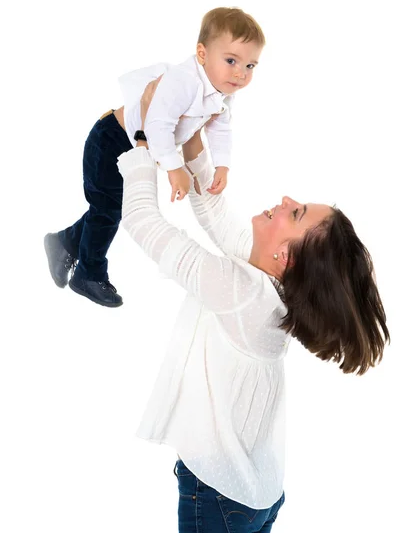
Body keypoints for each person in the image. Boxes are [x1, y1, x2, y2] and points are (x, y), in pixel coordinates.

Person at [115, 79, 390, 532]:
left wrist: (144, 137)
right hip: (257, 492)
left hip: (219, 495)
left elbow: (142, 221)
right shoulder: (272, 290)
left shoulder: (241, 290)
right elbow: (214, 213)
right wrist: (191, 135)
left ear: (286, 255)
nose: (285, 200)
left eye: (296, 213)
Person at [44, 7, 265, 308]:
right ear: (202, 54)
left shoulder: (222, 93)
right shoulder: (183, 81)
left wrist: (222, 165)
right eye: (231, 61)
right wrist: (174, 169)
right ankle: (88, 273)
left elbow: (220, 127)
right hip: (112, 140)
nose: (241, 74)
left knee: (109, 208)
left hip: (139, 146)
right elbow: (157, 123)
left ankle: (65, 242)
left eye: (251, 65)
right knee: (108, 208)